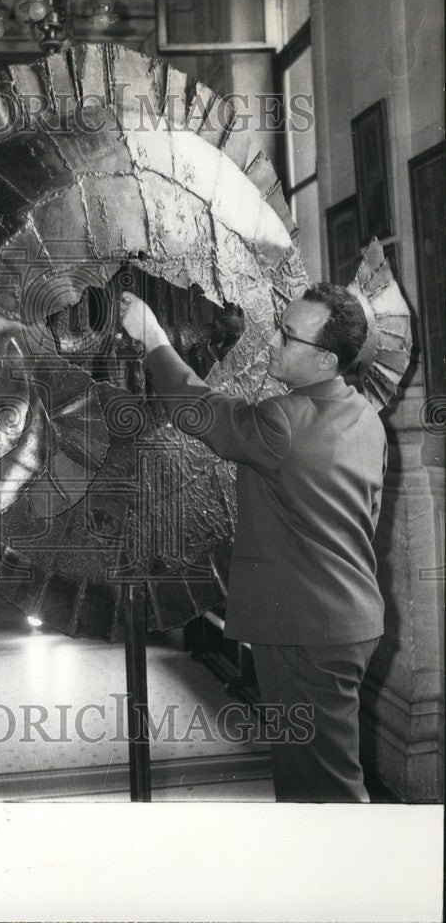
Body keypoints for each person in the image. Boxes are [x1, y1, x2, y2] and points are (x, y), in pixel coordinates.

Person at [120, 284, 386, 802]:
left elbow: (202, 411)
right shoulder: (367, 418)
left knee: (326, 788)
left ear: (326, 360)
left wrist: (153, 338)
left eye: (288, 336)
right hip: (346, 620)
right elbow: (365, 518)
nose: (273, 342)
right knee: (310, 776)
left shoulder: (283, 420)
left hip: (306, 632)